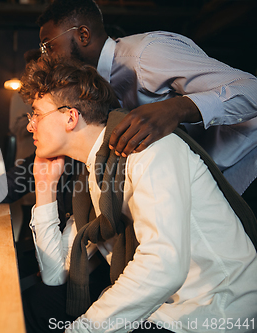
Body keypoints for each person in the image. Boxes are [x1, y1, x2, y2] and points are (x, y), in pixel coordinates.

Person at [20, 56, 257, 333]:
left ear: (70, 117)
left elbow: (163, 264)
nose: (30, 126)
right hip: (161, 306)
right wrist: (45, 187)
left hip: (211, 311)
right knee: (38, 303)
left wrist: (82, 330)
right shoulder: (94, 173)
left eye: (36, 113)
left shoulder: (149, 149)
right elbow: (55, 274)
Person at [36, 0, 257, 217]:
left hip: (246, 163)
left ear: (82, 35)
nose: (46, 57)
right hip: (210, 185)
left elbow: (251, 89)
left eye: (48, 46)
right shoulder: (93, 87)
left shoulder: (145, 55)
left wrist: (176, 108)